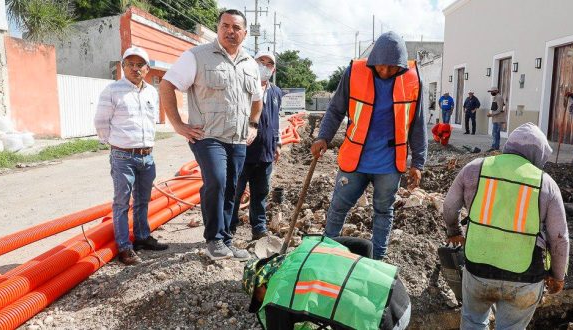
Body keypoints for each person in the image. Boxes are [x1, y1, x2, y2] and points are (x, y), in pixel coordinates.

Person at [310, 31, 428, 260]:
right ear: (373, 61)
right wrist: (322, 136)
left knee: (384, 210)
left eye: (392, 68)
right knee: (338, 207)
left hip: (390, 163)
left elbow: (417, 123)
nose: (385, 71)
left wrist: (418, 163)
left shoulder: (413, 79)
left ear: (402, 66)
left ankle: (377, 260)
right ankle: (326, 253)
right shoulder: (355, 72)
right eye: (381, 66)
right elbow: (336, 109)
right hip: (356, 159)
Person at [443, 123, 569, 329]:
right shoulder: (546, 183)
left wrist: (453, 231)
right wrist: (557, 276)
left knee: (473, 322)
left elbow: (449, 206)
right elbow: (559, 238)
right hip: (525, 277)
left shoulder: (476, 168)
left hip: (478, 268)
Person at [160, 9, 263, 260]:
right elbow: (166, 85)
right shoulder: (197, 56)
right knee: (216, 181)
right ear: (217, 28)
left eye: (236, 27)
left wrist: (253, 125)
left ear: (245, 33)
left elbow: (257, 100)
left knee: (231, 188)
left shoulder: (250, 64)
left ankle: (226, 239)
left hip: (237, 138)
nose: (231, 31)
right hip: (207, 136)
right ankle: (214, 239)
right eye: (225, 25)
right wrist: (178, 125)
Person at [94, 46, 168, 265]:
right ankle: (124, 247)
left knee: (143, 200)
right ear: (123, 66)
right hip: (123, 157)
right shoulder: (112, 90)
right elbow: (101, 122)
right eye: (131, 64)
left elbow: (152, 120)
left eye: (140, 65)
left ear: (147, 68)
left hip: (147, 156)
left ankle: (142, 237)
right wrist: (117, 145)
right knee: (121, 203)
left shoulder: (151, 92)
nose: (135, 69)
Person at [242, 235, 411, 329]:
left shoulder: (276, 298)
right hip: (398, 293)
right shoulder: (310, 247)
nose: (260, 301)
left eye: (257, 297)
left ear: (262, 284)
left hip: (380, 323)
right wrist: (359, 285)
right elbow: (365, 244)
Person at [230, 51, 283, 240]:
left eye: (269, 64)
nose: (265, 66)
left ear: (273, 69)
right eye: (261, 61)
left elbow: (275, 120)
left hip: (266, 153)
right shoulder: (243, 87)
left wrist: (277, 144)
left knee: (260, 193)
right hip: (243, 151)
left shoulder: (276, 92)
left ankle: (258, 228)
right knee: (235, 192)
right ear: (253, 63)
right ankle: (229, 227)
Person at [486, 86, 506, 151]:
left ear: (496, 91)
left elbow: (499, 109)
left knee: (495, 133)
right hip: (495, 118)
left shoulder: (499, 97)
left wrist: (491, 114)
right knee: (495, 133)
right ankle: (495, 146)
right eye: (491, 92)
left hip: (498, 119)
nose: (491, 93)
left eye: (492, 91)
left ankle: (495, 147)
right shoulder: (496, 97)